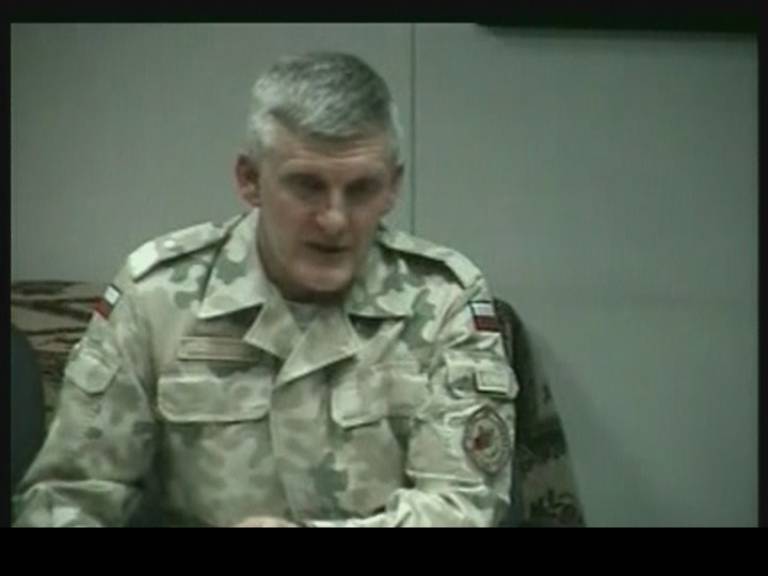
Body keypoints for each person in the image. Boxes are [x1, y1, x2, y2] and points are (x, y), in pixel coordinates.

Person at [13, 52, 518, 527]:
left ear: (392, 187)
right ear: (249, 179)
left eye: (361, 189)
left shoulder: (443, 300)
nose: (335, 219)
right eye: (307, 186)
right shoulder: (158, 297)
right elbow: (67, 499)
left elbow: (462, 508)